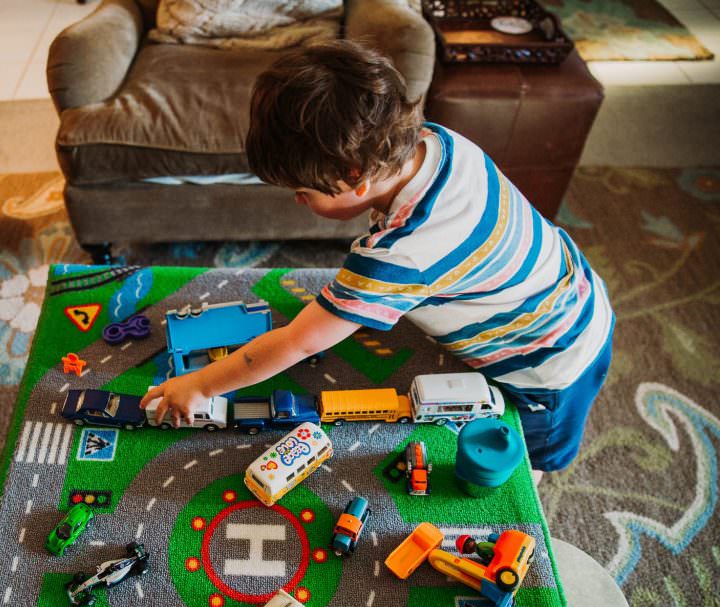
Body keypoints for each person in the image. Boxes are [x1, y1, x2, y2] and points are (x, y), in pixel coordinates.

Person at [139, 40, 614, 479]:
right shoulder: (437, 141)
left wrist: (200, 386)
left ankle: (528, 491)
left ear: (355, 176)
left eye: (304, 192)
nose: (300, 203)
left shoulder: (398, 256)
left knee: (516, 461)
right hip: (575, 289)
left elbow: (298, 344)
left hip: (545, 365)